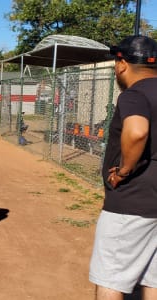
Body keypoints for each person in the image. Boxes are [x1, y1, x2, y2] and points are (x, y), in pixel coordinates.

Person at [89, 35, 157, 299]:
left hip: (132, 202)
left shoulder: (135, 93)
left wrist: (124, 170)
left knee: (111, 278)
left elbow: (137, 131)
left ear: (122, 64)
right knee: (152, 279)